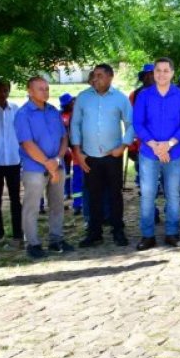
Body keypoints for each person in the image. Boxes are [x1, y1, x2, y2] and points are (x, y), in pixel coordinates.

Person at [133, 57, 180, 250]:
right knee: (148, 194)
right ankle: (147, 235)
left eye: (166, 70)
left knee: (173, 195)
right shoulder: (144, 95)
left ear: (172, 73)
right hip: (149, 153)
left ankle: (172, 233)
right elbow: (138, 123)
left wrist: (168, 144)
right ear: (154, 73)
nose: (161, 74)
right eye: (158, 70)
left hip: (174, 153)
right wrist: (155, 146)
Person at [70, 64, 134, 247]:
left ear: (110, 77)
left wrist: (123, 146)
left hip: (112, 155)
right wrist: (77, 151)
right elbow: (75, 124)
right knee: (93, 195)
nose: (95, 79)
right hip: (89, 156)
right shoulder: (83, 97)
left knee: (115, 195)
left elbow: (131, 124)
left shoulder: (120, 98)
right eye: (94, 75)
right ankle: (94, 233)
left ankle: (118, 231)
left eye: (99, 75)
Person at [14, 76, 73, 258]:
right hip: (35, 168)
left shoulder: (53, 111)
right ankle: (33, 243)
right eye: (40, 89)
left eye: (47, 88)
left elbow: (64, 137)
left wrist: (56, 160)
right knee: (31, 206)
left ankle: (56, 239)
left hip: (57, 164)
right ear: (30, 91)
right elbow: (27, 144)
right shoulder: (23, 114)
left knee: (57, 204)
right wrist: (49, 164)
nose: (45, 92)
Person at [0, 78, 22, 245]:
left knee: (15, 199)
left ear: (9, 91)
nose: (3, 93)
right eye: (0, 90)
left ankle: (18, 232)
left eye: (6, 90)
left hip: (13, 160)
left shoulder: (16, 110)